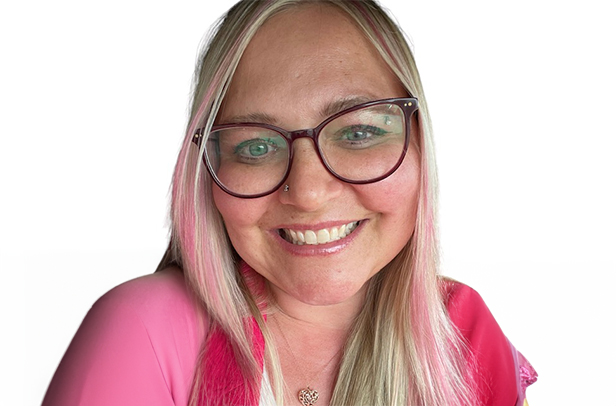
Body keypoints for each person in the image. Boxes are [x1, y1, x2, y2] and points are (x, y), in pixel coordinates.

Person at [42, 1, 537, 405]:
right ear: (206, 169)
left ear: (420, 146)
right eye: (256, 146)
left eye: (360, 132)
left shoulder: (463, 333)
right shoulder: (142, 332)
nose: (307, 192)